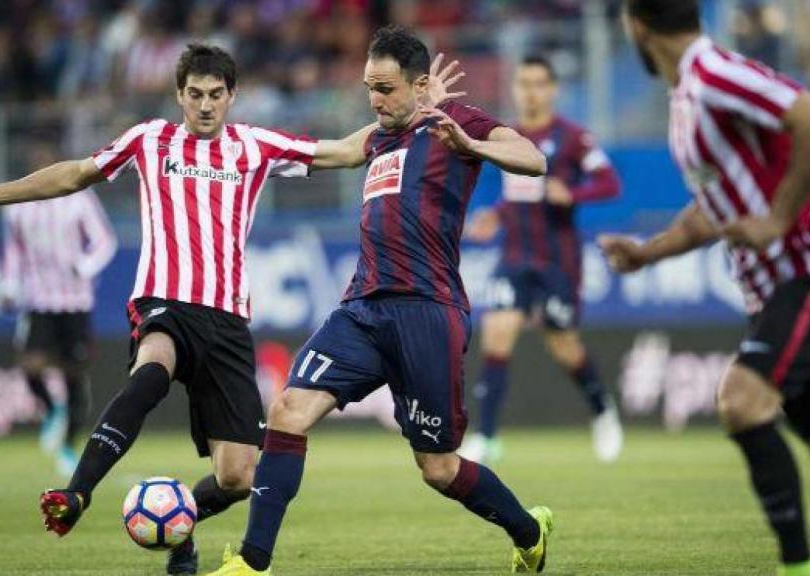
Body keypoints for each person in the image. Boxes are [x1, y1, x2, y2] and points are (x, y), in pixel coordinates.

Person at [0, 43, 463, 576]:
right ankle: (76, 494)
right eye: (195, 95)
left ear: (232, 96)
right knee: (150, 371)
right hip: (164, 301)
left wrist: (420, 114)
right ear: (179, 95)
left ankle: (179, 529)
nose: (206, 106)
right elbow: (76, 173)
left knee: (238, 476)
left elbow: (348, 151)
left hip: (227, 320)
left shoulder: (255, 146)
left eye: (216, 95)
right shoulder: (149, 140)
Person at [208, 26, 554, 576]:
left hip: (428, 310)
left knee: (438, 468)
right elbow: (327, 152)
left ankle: (528, 531)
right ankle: (253, 563)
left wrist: (472, 146)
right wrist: (242, 146)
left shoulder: (455, 123)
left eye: (386, 88)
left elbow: (533, 159)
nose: (375, 99)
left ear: (420, 87)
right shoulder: (377, 136)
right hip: (363, 307)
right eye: (370, 87)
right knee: (288, 411)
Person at [602, 2, 810, 575]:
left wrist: (777, 218)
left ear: (637, 27)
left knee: (742, 402)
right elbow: (711, 211)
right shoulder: (687, 99)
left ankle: (798, 568)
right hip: (772, 294)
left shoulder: (717, 75)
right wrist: (648, 254)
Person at [461, 54, 623, 465]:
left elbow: (609, 182)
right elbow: (518, 193)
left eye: (537, 83)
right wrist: (494, 214)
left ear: (552, 89)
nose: (529, 91)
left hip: (557, 262)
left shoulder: (571, 138)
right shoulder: (508, 137)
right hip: (513, 255)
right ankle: (487, 436)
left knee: (564, 346)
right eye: (523, 83)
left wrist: (574, 194)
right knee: (497, 335)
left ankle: (603, 412)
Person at [1, 143, 117, 476]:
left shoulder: (78, 199)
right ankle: (52, 410)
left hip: (75, 301)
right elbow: (13, 252)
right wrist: (9, 286)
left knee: (73, 375)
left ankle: (67, 447)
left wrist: (85, 265)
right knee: (30, 366)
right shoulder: (18, 207)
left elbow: (105, 241)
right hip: (38, 300)